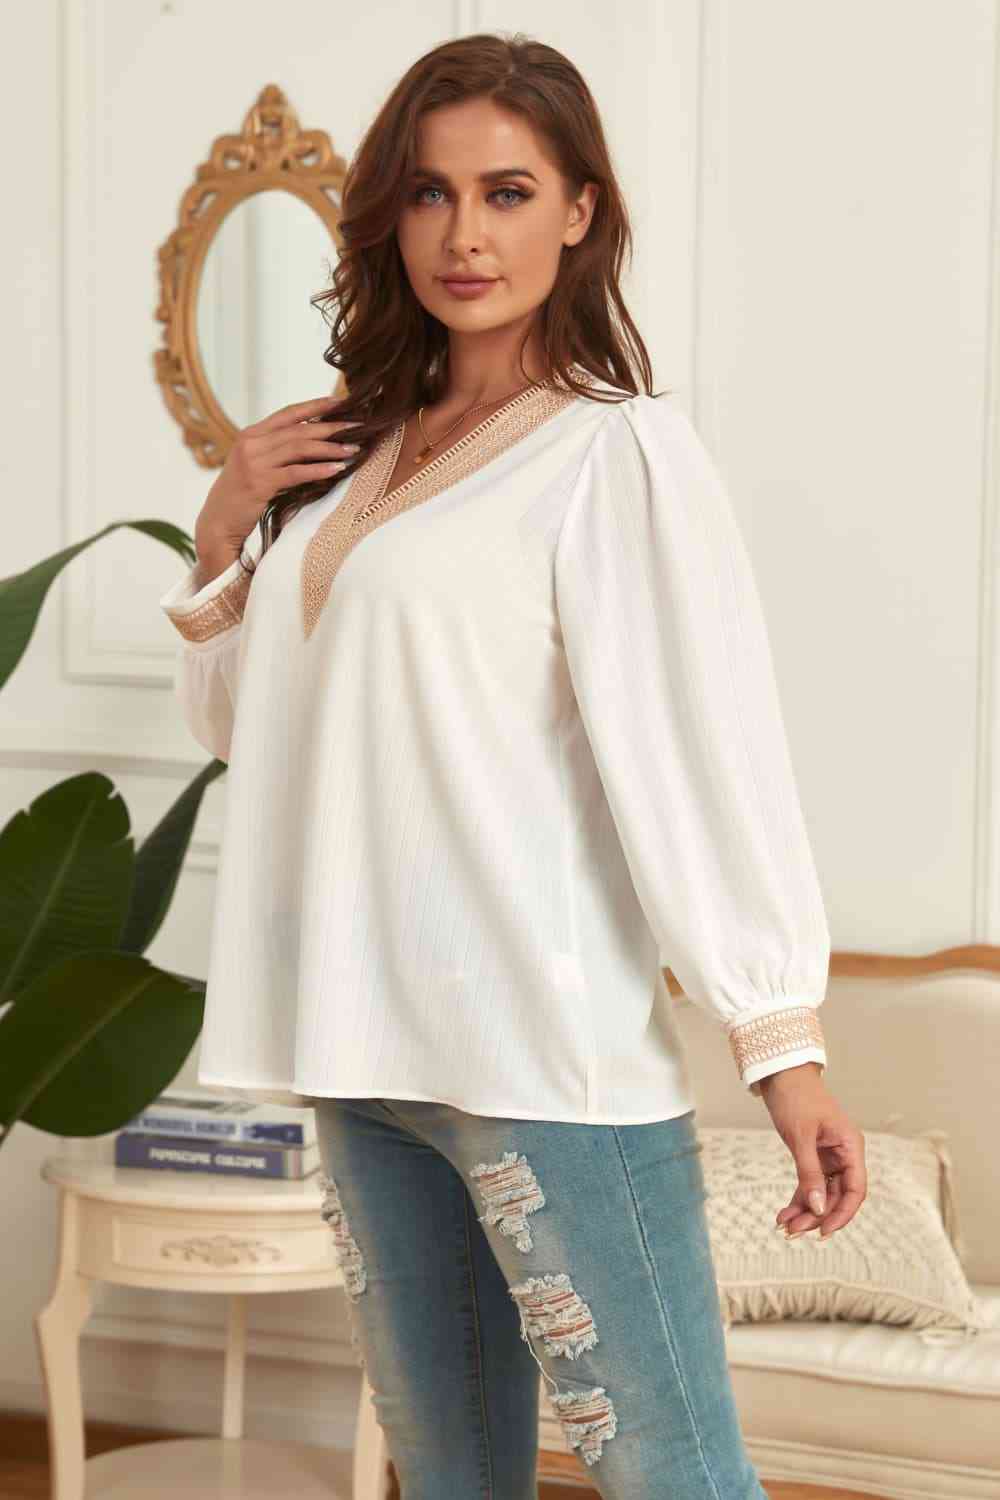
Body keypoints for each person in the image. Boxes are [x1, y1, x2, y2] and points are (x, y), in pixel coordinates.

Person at [159, 30, 867, 1500]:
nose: (464, 236)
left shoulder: (616, 456)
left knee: (674, 1475)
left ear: (580, 210)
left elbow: (703, 750)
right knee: (451, 1478)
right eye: (430, 193)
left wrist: (778, 1039)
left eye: (507, 191)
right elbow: (259, 738)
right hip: (362, 1047)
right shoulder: (349, 458)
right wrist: (228, 527)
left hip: (540, 1055)